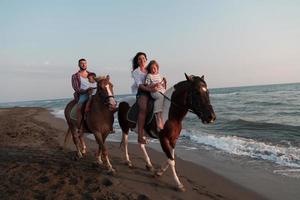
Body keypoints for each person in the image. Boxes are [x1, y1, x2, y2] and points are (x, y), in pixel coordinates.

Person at [131, 52, 158, 144]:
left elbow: (155, 76)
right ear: (137, 61)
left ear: (146, 59)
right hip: (142, 92)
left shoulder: (149, 69)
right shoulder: (136, 72)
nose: (142, 60)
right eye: (139, 59)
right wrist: (149, 90)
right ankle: (140, 136)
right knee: (143, 109)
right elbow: (140, 85)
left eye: (143, 58)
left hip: (153, 90)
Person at [71, 58, 93, 129]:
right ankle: (80, 126)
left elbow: (96, 83)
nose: (84, 65)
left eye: (85, 63)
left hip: (93, 93)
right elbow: (76, 88)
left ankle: (109, 125)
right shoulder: (75, 76)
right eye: (82, 63)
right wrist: (86, 91)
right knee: (79, 107)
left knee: (107, 103)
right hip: (83, 94)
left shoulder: (92, 74)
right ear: (79, 65)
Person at [145, 60, 166, 131]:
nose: (153, 70)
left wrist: (163, 83)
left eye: (154, 68)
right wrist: (154, 85)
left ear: (157, 68)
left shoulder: (158, 75)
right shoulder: (149, 75)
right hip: (153, 91)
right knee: (160, 97)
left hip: (161, 90)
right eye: (151, 69)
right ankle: (158, 116)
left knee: (166, 97)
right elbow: (146, 84)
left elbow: (161, 85)